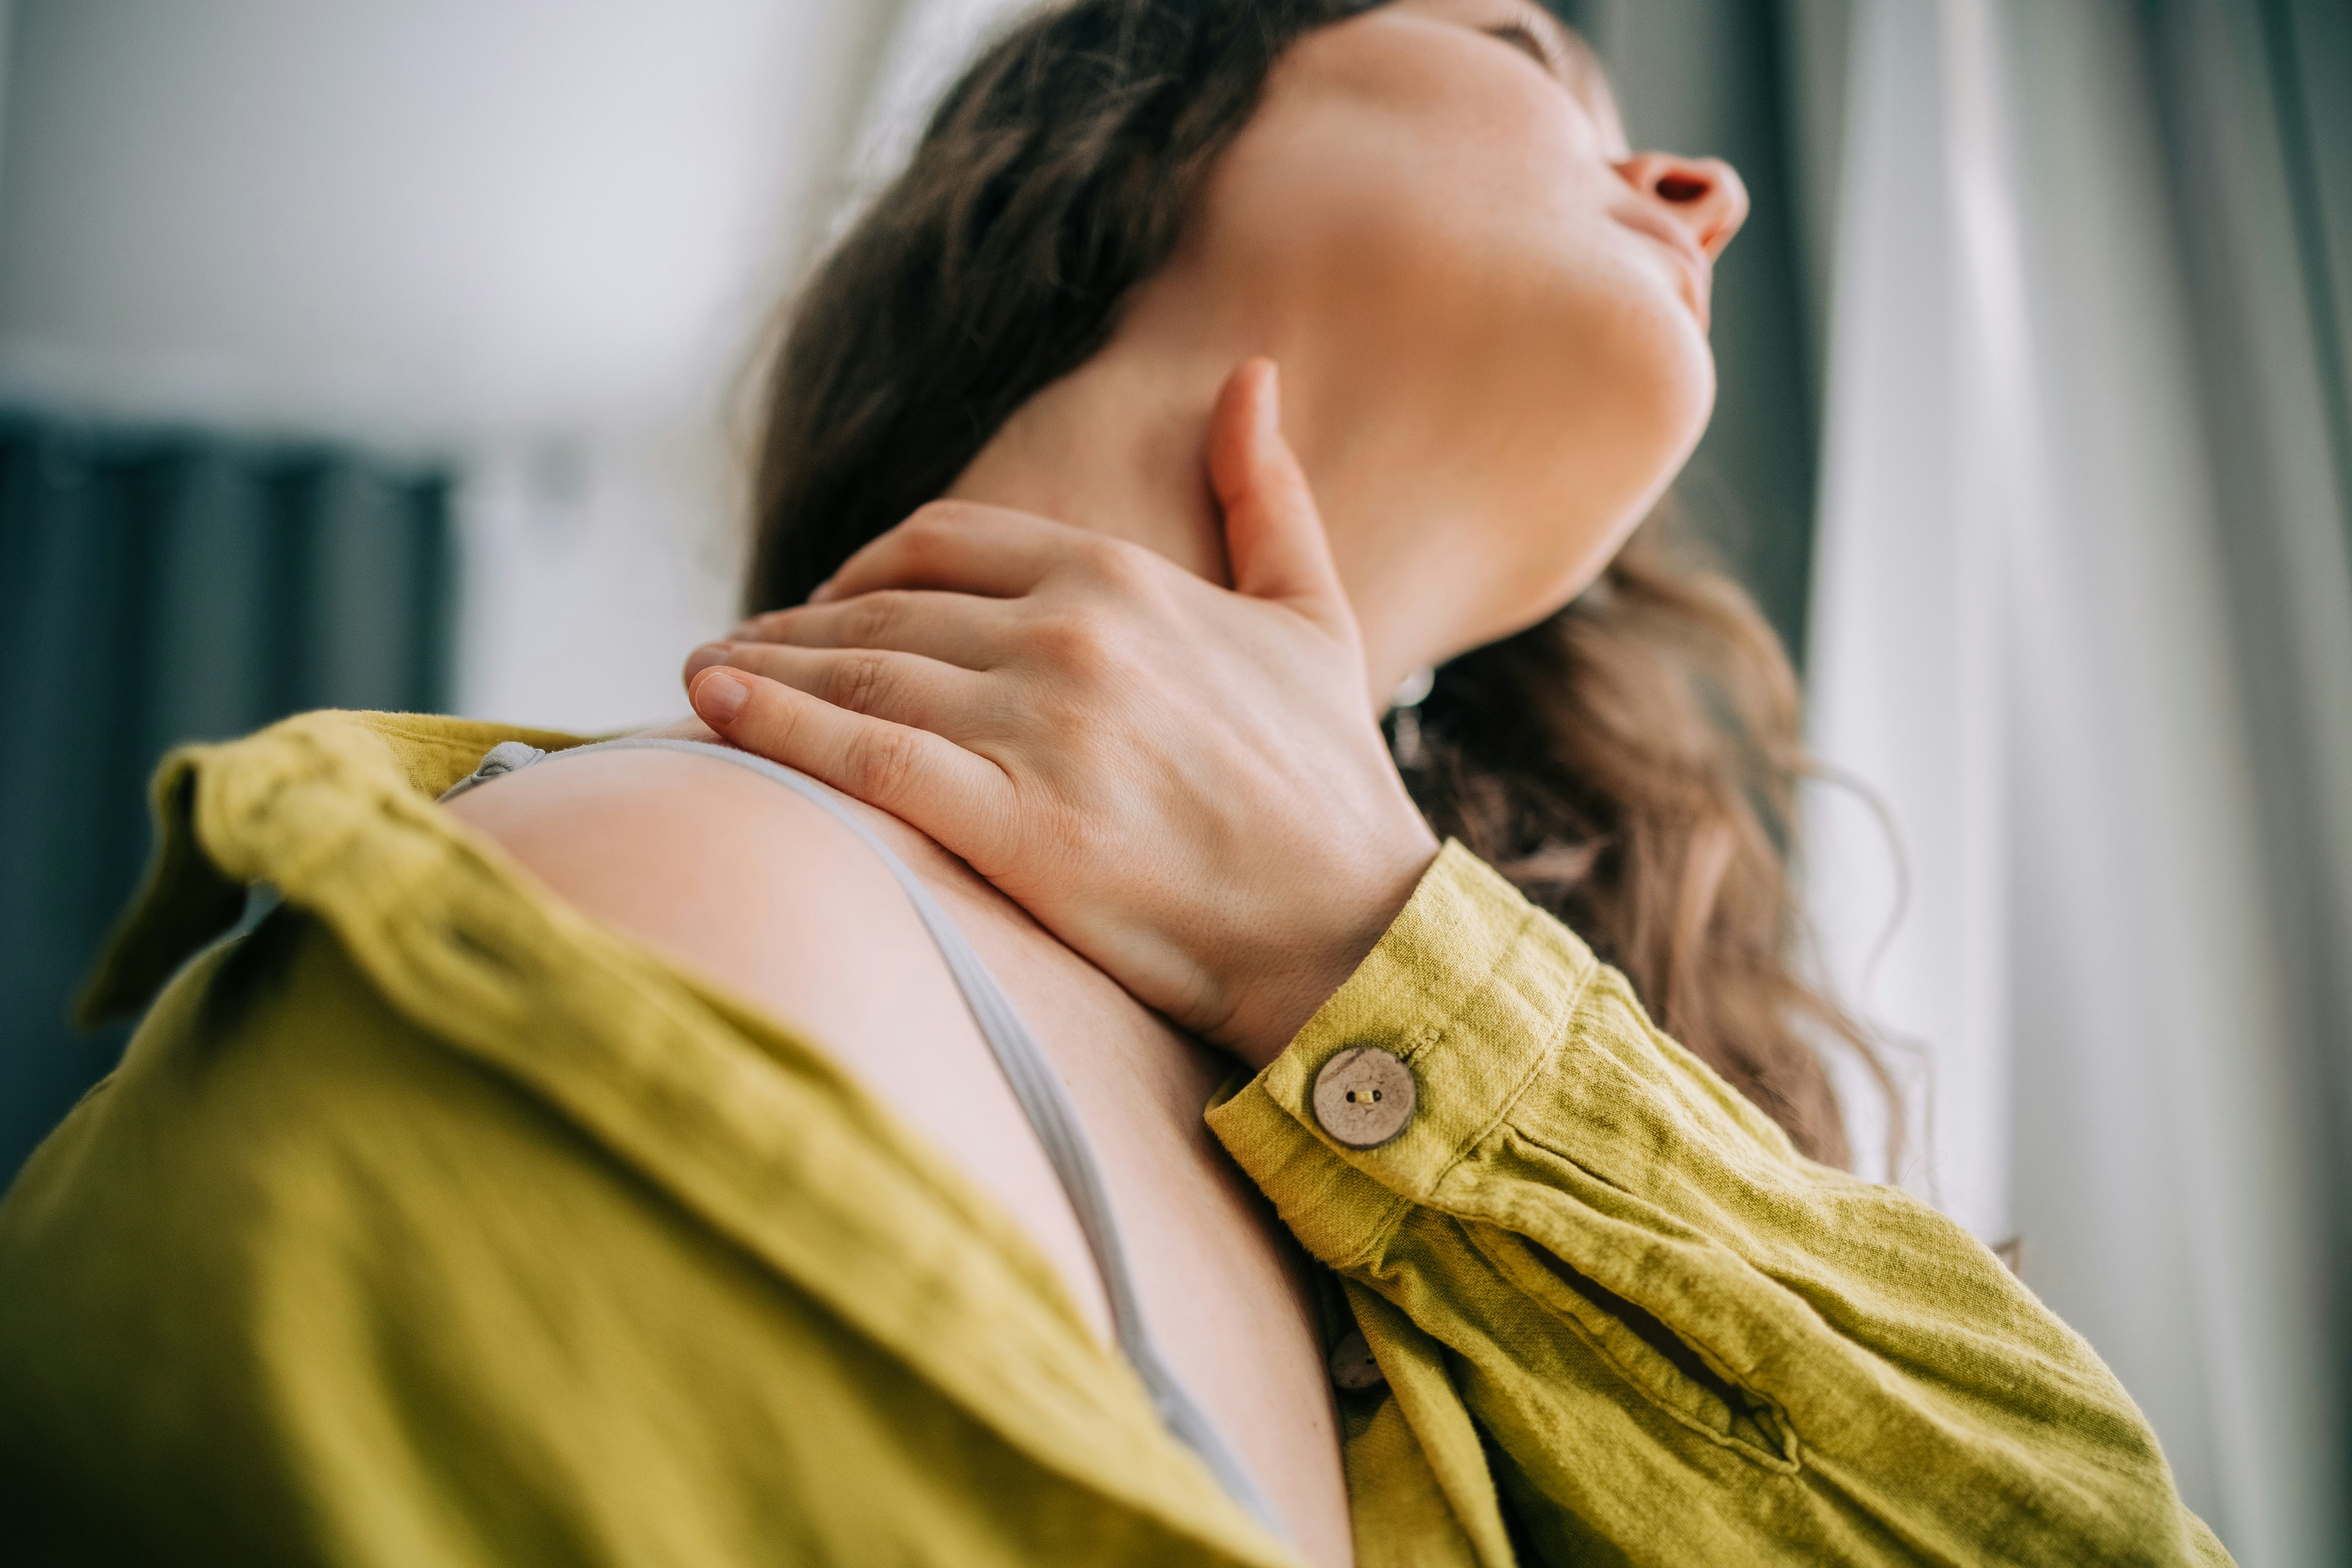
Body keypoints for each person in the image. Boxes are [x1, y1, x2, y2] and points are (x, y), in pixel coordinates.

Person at [0, 1, 2225, 1563]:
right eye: (1527, 54)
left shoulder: (1428, 1261)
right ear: (1129, 148)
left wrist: (1377, 970)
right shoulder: (630, 903)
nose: (1708, 183)